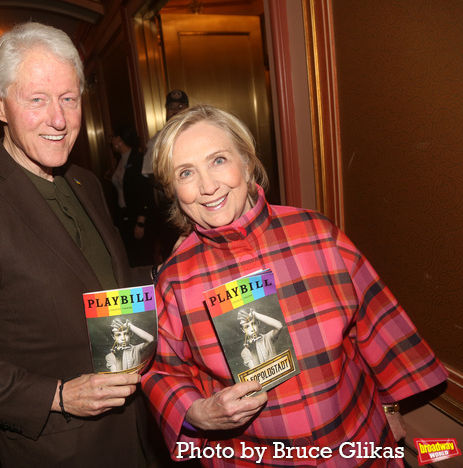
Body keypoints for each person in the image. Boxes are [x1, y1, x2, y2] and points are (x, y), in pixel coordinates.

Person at [141, 105, 448, 466]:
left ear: (247, 162)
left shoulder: (318, 234)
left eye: (219, 160)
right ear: (173, 189)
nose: (208, 186)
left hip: (357, 444)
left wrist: (391, 405)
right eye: (186, 173)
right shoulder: (174, 279)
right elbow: (162, 371)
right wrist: (196, 412)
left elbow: (377, 325)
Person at [0, 22, 155, 468]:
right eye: (36, 100)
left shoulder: (84, 183)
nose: (58, 120)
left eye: (68, 98)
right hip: (63, 451)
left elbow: (105, 285)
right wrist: (56, 396)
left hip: (135, 433)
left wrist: (185, 272)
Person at [142, 90, 190, 264]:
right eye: (171, 108)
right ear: (166, 111)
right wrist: (173, 187)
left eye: (180, 106)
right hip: (170, 211)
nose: (176, 111)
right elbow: (149, 175)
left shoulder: (200, 135)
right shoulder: (157, 141)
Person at [110, 123, 156, 266]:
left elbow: (145, 192)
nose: (111, 141)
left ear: (119, 139)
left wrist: (140, 222)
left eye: (113, 137)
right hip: (125, 217)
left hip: (138, 219)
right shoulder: (121, 159)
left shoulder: (138, 159)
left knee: (142, 260)